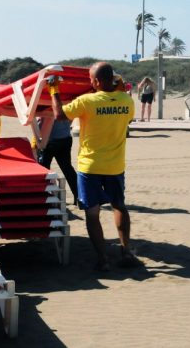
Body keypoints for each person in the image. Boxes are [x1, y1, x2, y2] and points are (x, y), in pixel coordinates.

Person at [51, 62, 140, 271]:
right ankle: (126, 252)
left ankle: (103, 260)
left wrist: (53, 89)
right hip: (115, 166)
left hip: (90, 166)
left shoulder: (87, 101)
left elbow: (59, 116)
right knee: (119, 206)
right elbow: (119, 99)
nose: (90, 83)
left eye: (91, 79)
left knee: (92, 213)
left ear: (97, 81)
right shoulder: (127, 101)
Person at [35, 117, 79, 206]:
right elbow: (72, 116)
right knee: (67, 169)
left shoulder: (45, 103)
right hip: (64, 137)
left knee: (44, 170)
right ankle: (78, 197)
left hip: (48, 140)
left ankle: (43, 197)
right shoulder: (65, 102)